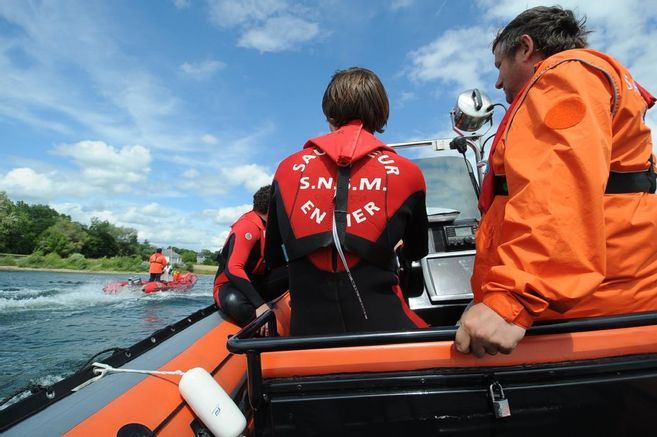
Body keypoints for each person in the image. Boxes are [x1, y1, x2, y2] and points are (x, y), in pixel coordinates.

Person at [456, 5, 657, 357]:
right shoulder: (591, 80)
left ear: (526, 47)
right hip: (607, 304)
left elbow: (557, 192)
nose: (498, 81)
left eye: (500, 65)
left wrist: (511, 300)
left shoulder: (564, 78)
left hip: (581, 317)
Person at [265, 67, 429, 336]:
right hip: (387, 334)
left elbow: (273, 258)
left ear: (330, 113)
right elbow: (416, 252)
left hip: (306, 337)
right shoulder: (409, 172)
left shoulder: (286, 169)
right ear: (381, 113)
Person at [212, 185, 288, 327]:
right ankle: (267, 334)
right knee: (233, 300)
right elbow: (233, 268)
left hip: (258, 281)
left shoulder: (272, 227)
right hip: (231, 286)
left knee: (298, 271)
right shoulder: (247, 226)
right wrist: (259, 305)